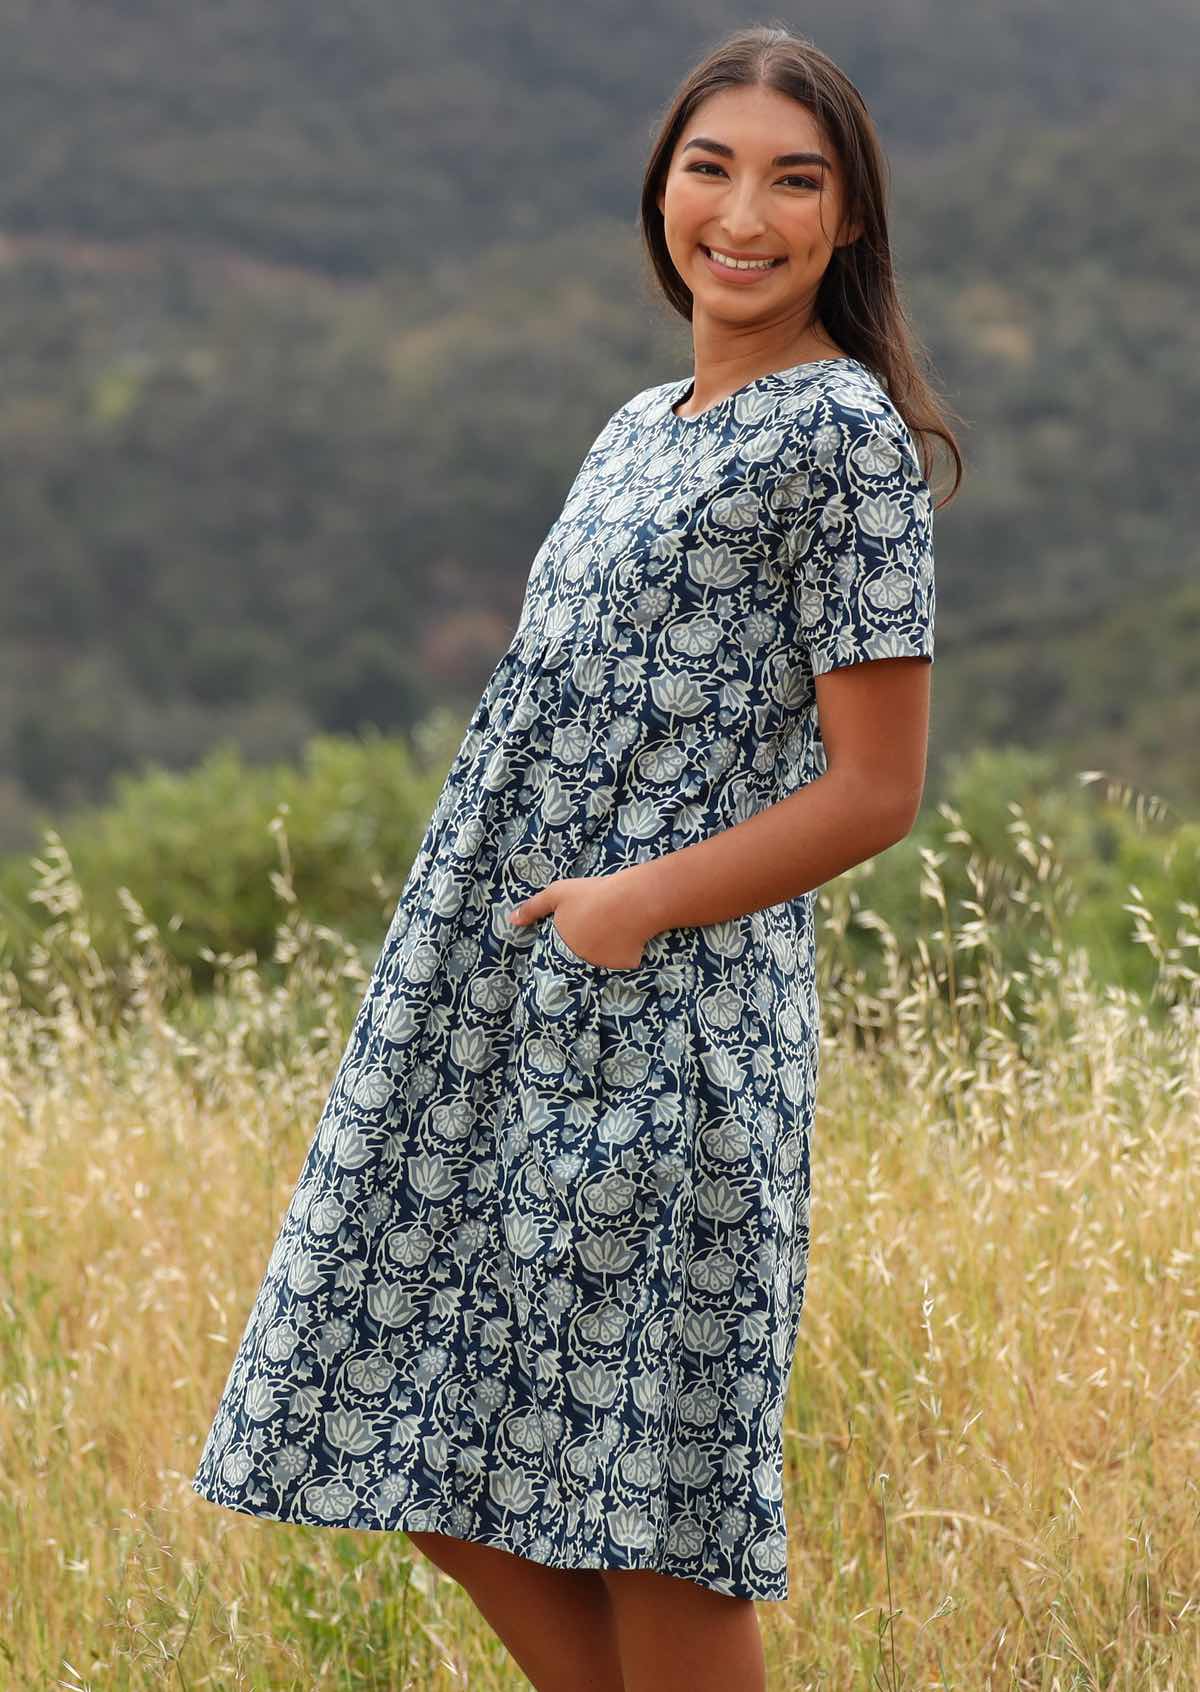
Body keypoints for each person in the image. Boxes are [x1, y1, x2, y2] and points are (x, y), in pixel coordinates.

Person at [190, 23, 963, 1692]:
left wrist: (628, 907)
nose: (742, 213)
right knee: (395, 1416)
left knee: (645, 1522)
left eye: (792, 180)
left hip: (669, 1030)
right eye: (711, 168)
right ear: (660, 190)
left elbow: (876, 790)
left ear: (847, 222)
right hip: (493, 1013)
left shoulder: (844, 439)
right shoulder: (639, 424)